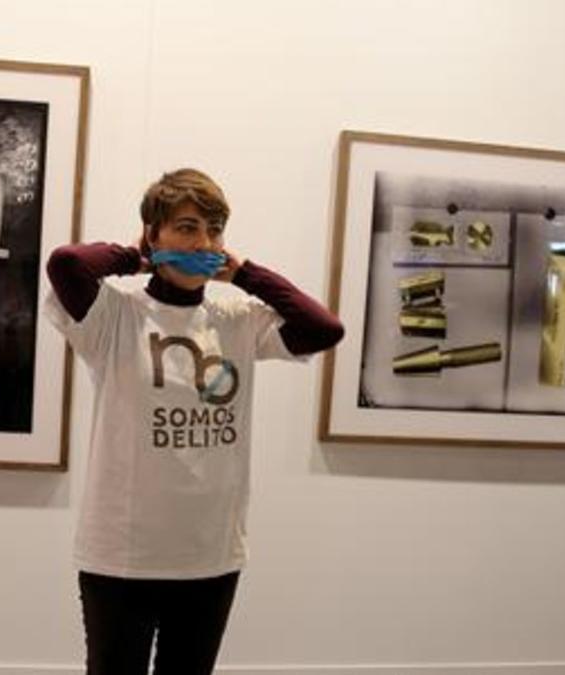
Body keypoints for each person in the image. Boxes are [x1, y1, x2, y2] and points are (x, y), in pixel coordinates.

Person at [44, 168, 344, 675]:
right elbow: (67, 264)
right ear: (154, 233)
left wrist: (245, 273)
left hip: (210, 556)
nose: (203, 242)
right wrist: (133, 257)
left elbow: (323, 327)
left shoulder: (238, 321)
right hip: (123, 556)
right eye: (186, 228)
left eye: (214, 230)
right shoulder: (115, 317)